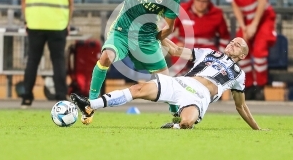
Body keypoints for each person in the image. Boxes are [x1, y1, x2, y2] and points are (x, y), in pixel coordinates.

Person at [76, 0, 180, 124]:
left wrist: (157, 37)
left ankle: (176, 114)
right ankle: (90, 105)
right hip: (122, 31)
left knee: (166, 80)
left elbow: (169, 28)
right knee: (106, 56)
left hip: (146, 38)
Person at [71, 37, 264, 130]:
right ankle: (90, 105)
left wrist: (257, 128)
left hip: (199, 96)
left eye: (238, 44)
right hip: (180, 83)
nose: (232, 43)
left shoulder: (239, 74)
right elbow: (175, 50)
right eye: (232, 41)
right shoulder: (208, 53)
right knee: (138, 88)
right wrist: (159, 34)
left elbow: (241, 106)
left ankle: (176, 126)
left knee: (187, 123)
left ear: (243, 55)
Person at [20, 0, 74, 108]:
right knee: (58, 60)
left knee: (32, 60)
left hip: (35, 22)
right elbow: (70, 1)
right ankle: (61, 97)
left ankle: (26, 98)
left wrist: (27, 21)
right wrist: (67, 23)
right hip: (58, 23)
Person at [222, 0, 277, 100]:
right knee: (240, 51)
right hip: (247, 21)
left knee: (259, 51)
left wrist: (254, 25)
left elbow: (262, 1)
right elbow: (235, 7)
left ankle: (261, 86)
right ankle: (249, 85)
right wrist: (243, 26)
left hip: (263, 18)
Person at [170, 0, 230, 75]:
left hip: (207, 48)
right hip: (185, 46)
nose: (200, 4)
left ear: (209, 2)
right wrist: (176, 43)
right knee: (179, 57)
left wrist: (222, 55)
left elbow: (224, 36)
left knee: (212, 70)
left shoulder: (217, 14)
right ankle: (181, 81)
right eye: (198, 0)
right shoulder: (182, 10)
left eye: (204, 1)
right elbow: (166, 31)